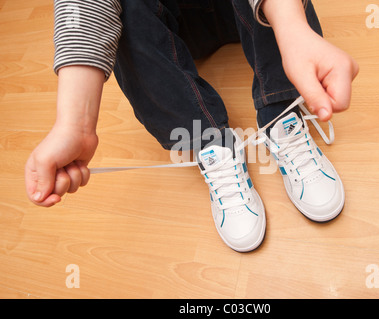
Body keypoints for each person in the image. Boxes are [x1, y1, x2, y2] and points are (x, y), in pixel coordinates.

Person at [25, 0, 359, 252]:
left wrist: (292, 27)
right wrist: (76, 123)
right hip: (168, 20)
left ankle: (281, 114)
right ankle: (209, 143)